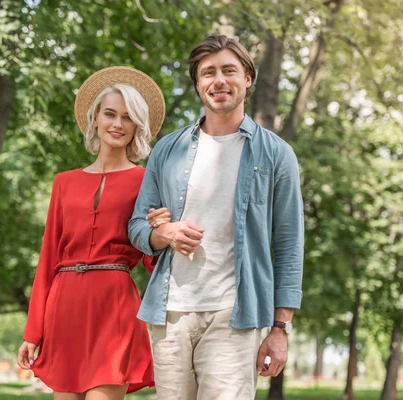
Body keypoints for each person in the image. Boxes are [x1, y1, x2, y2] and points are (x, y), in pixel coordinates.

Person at [128, 35, 304, 399]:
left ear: (248, 79)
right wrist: (165, 234)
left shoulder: (276, 154)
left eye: (229, 71)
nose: (218, 81)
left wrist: (280, 328)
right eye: (208, 73)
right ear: (197, 84)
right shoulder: (168, 150)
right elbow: (137, 227)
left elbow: (289, 244)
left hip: (235, 315)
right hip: (170, 313)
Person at [18, 66, 170, 400]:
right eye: (110, 114)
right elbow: (48, 259)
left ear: (137, 126)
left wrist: (158, 233)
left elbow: (151, 257)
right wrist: (33, 332)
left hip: (113, 304)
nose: (117, 124)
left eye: (127, 117)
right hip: (65, 304)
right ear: (95, 119)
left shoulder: (146, 180)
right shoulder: (64, 182)